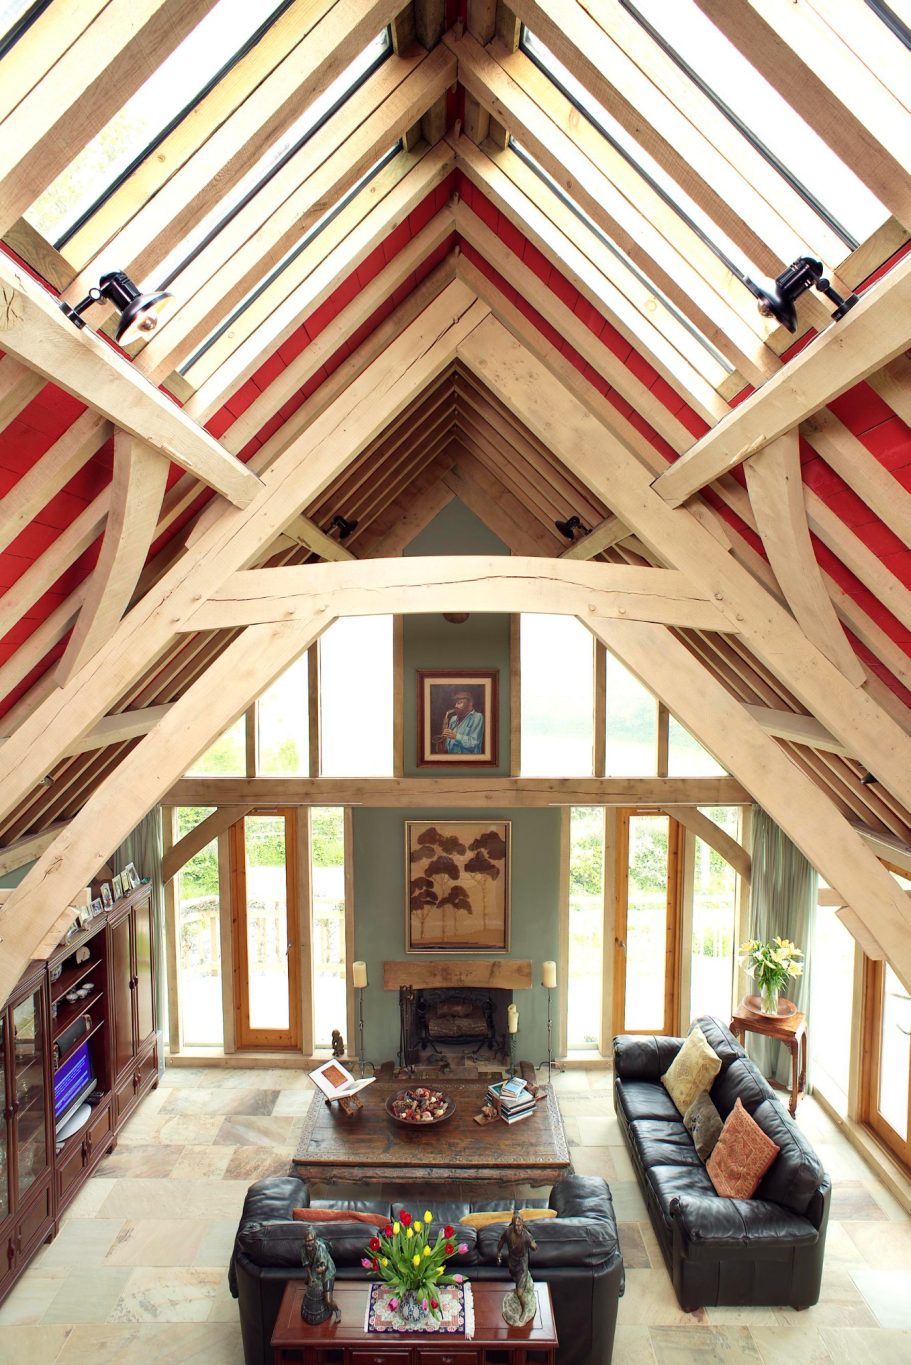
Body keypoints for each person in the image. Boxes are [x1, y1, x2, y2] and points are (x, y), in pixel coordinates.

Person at [495, 1210, 537, 1326]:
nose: (518, 1228)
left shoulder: (526, 1236)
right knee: (515, 1279)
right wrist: (498, 1252)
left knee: (519, 1293)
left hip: (523, 1263)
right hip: (512, 1261)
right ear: (513, 1225)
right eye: (516, 1225)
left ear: (523, 1224)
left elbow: (534, 1247)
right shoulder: (508, 1232)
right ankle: (523, 1287)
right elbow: (501, 1241)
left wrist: (533, 1244)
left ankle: (524, 1311)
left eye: (520, 1225)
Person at [441, 688, 484, 754]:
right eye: (456, 703)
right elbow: (448, 741)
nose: (456, 706)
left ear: (470, 703)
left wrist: (456, 736)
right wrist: (444, 742)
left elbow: (474, 743)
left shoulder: (478, 717)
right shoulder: (453, 718)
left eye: (459, 703)